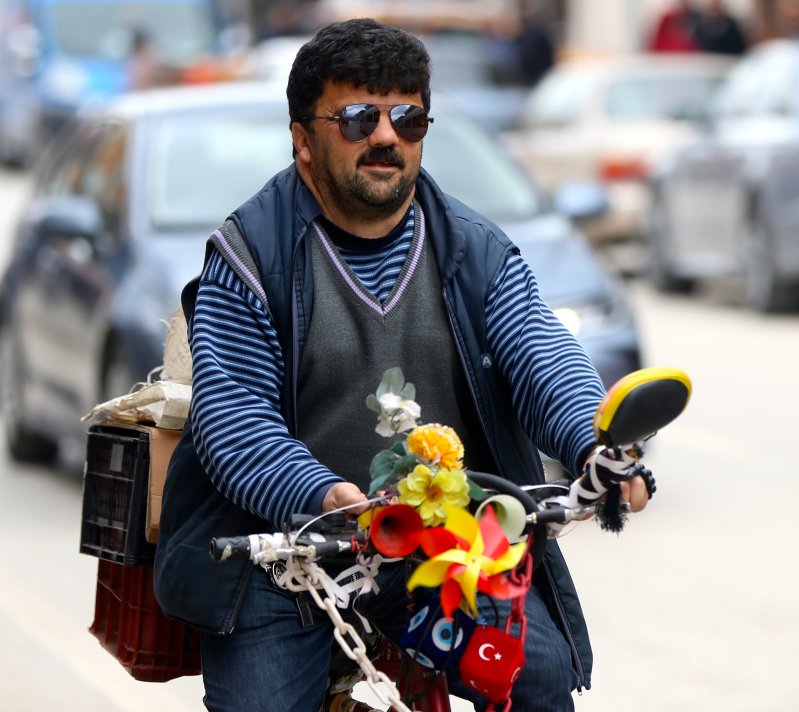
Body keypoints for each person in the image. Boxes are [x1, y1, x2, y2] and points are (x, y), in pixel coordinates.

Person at [153, 19, 653, 712]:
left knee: (537, 680)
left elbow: (543, 357)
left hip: (440, 548)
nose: (386, 137)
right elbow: (235, 419)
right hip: (281, 559)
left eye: (408, 119)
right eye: (358, 119)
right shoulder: (249, 256)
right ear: (303, 139)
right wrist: (324, 496)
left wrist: (594, 446)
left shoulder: (477, 250)